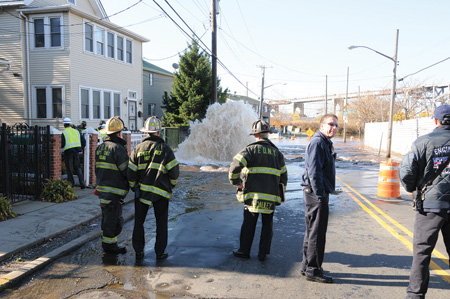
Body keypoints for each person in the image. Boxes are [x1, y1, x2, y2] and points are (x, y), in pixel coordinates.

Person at [399, 105, 450, 299]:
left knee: (422, 254)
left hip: (430, 207)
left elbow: (407, 172)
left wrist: (412, 188)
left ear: (436, 121)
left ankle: (415, 295)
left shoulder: (423, 142)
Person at [229, 119, 288, 261]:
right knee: (267, 225)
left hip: (252, 196)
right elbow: (284, 177)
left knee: (249, 224)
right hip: (270, 197)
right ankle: (263, 253)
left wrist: (236, 182)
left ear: (256, 135)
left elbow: (234, 166)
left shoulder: (250, 150)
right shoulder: (278, 154)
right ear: (268, 134)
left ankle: (244, 251)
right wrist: (279, 196)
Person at [128, 116, 179, 260]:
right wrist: (171, 186)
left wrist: (134, 188)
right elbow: (174, 172)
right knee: (161, 223)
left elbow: (131, 172)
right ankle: (160, 252)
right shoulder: (165, 149)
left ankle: (138, 252)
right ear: (158, 132)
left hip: (142, 192)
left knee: (139, 222)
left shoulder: (137, 149)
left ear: (146, 133)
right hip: (161, 193)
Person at [300, 113, 338, 283]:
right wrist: (321, 195)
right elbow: (314, 172)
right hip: (316, 194)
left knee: (311, 231)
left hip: (315, 193)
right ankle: (313, 270)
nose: (334, 128)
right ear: (322, 126)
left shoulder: (323, 142)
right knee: (317, 233)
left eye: (336, 125)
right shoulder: (318, 142)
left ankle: (307, 265)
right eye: (331, 124)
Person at [95, 116, 129, 254]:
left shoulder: (100, 148)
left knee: (106, 219)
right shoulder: (118, 149)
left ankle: (109, 244)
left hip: (102, 190)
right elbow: (126, 171)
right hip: (114, 193)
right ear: (119, 133)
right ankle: (110, 248)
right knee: (113, 221)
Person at [61, 117, 86, 189]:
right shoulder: (76, 131)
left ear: (64, 125)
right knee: (77, 167)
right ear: (70, 124)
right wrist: (81, 148)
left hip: (68, 152)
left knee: (69, 168)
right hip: (77, 152)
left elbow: (62, 144)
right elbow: (83, 141)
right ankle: (82, 183)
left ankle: (71, 184)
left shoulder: (64, 132)